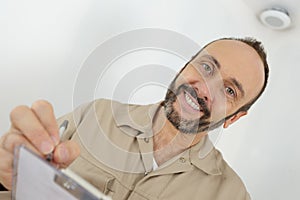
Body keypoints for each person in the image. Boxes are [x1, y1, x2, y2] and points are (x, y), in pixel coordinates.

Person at [0, 37, 269, 200]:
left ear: (234, 118)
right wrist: (9, 177)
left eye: (229, 90)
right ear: (186, 64)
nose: (205, 88)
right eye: (207, 66)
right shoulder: (96, 116)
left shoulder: (231, 195)